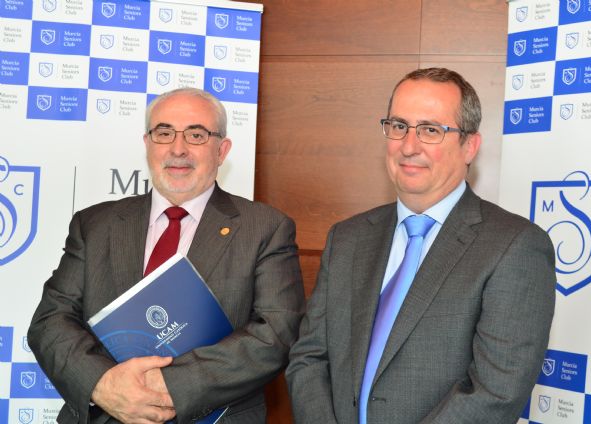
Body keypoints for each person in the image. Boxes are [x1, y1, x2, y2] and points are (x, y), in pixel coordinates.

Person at [286, 68, 556, 423]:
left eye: (431, 130)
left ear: (469, 146)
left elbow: (496, 393)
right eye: (398, 126)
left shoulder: (515, 247)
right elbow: (309, 358)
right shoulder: (347, 238)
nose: (408, 146)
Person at [28, 87, 305, 424]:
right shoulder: (94, 225)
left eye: (196, 135)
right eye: (164, 133)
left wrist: (166, 385)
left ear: (222, 150)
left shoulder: (264, 228)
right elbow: (50, 322)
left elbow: (276, 333)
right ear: (147, 144)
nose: (178, 148)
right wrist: (103, 384)